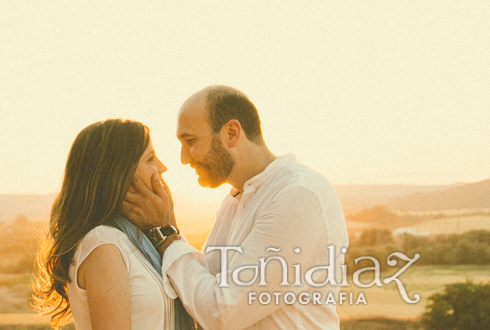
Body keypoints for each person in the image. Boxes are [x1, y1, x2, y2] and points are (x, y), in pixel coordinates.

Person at [122, 85, 349, 330]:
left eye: (190, 141)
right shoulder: (234, 203)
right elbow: (201, 290)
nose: (183, 157)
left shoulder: (299, 195)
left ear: (231, 133)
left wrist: (165, 233)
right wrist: (168, 229)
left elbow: (222, 313)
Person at [32, 118, 194, 330]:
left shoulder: (149, 238)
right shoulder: (103, 244)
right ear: (119, 173)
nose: (162, 167)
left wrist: (168, 226)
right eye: (150, 159)